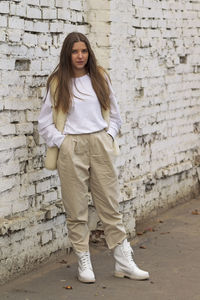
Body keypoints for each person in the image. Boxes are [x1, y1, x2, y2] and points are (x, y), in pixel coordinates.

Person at [38, 32, 149, 283]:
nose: (80, 56)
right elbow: (44, 123)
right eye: (75, 51)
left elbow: (116, 116)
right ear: (68, 54)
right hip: (71, 146)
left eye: (84, 51)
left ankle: (123, 261)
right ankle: (83, 260)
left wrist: (108, 136)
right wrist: (63, 143)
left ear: (89, 52)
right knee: (76, 207)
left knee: (110, 204)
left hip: (100, 143)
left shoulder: (99, 77)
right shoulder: (58, 82)